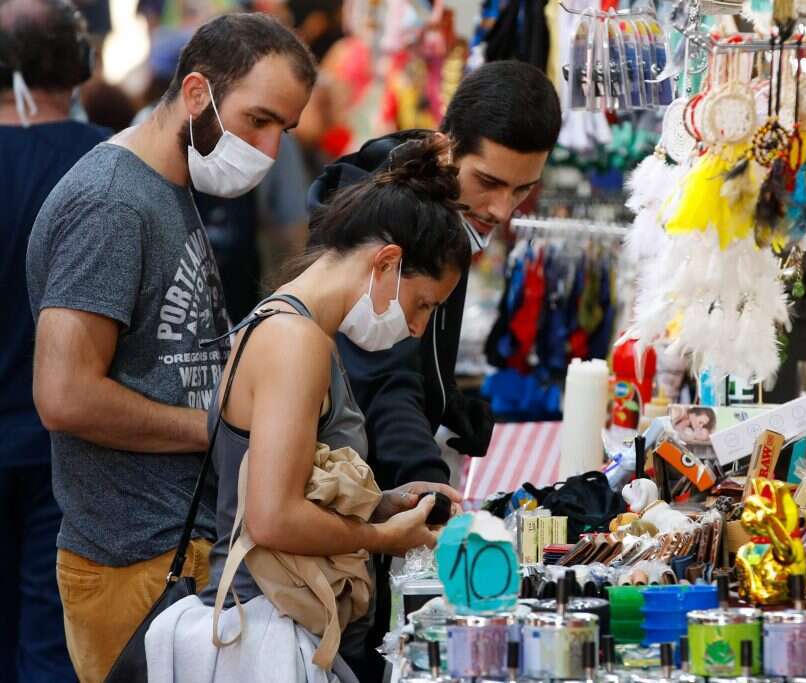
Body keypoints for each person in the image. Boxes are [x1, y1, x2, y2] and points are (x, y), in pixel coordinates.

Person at [25, 13, 317, 682]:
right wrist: (215, 428)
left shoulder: (166, 186)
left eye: (284, 129)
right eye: (258, 120)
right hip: (136, 562)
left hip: (176, 554)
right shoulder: (112, 203)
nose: (269, 149)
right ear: (195, 93)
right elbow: (64, 395)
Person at [145, 135, 466, 682]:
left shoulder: (288, 326)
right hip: (266, 630)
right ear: (387, 262)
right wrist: (380, 538)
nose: (417, 328)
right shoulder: (296, 342)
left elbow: (284, 483)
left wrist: (381, 504)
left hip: (271, 622)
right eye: (422, 305)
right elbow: (272, 517)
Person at [309, 61, 561, 678]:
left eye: (522, 190)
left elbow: (411, 355)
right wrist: (428, 487)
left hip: (380, 492)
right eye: (490, 181)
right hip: (343, 509)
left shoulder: (450, 207)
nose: (502, 208)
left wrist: (447, 402)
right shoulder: (392, 220)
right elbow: (382, 374)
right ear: (448, 147)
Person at [0, 1, 107, 680]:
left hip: (58, 443)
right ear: (77, 63)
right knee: (55, 649)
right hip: (76, 449)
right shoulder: (111, 161)